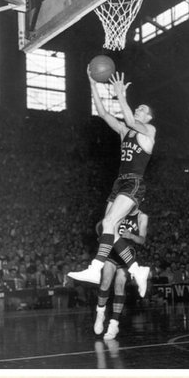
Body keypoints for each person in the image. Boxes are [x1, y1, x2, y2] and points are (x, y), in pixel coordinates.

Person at [70, 71, 154, 296]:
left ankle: (95, 268)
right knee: (108, 229)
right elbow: (103, 113)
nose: (139, 109)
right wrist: (92, 84)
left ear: (148, 118)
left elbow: (129, 119)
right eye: (139, 107)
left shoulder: (150, 132)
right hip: (119, 183)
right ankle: (137, 269)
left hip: (134, 183)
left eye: (143, 109)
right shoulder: (125, 132)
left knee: (108, 222)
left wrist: (119, 95)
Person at [93, 208, 149, 340]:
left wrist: (131, 236)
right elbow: (100, 225)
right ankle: (100, 313)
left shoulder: (142, 217)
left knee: (119, 286)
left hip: (127, 253)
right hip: (112, 250)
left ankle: (114, 323)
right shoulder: (120, 208)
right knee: (105, 281)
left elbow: (142, 240)